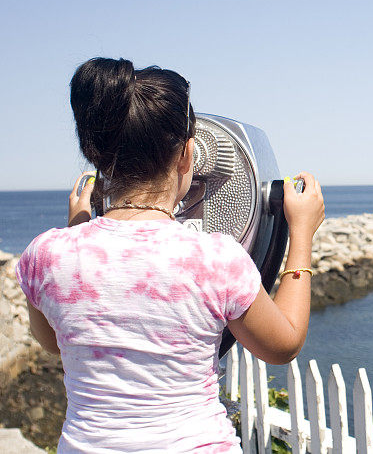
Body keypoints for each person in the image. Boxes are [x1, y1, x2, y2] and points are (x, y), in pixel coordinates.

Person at [15, 57, 325, 452]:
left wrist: (78, 227)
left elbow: (58, 338)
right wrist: (299, 232)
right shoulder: (216, 258)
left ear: (97, 158)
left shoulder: (45, 255)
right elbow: (283, 345)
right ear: (186, 156)